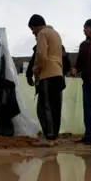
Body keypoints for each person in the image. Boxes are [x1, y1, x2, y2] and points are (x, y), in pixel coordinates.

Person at [28, 14, 65, 144]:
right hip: (58, 74)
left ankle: (50, 137)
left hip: (47, 75)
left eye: (32, 29)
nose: (32, 33)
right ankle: (52, 136)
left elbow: (41, 55)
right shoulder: (55, 33)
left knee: (45, 108)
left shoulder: (42, 33)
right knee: (55, 107)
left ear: (36, 26)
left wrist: (35, 70)